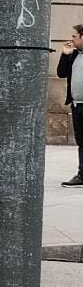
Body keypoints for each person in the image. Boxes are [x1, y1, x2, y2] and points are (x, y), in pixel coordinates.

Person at [58, 26, 83, 186]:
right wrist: (64, 55)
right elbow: (61, 73)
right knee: (82, 141)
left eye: (75, 36)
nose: (72, 39)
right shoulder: (73, 54)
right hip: (77, 105)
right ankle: (82, 175)